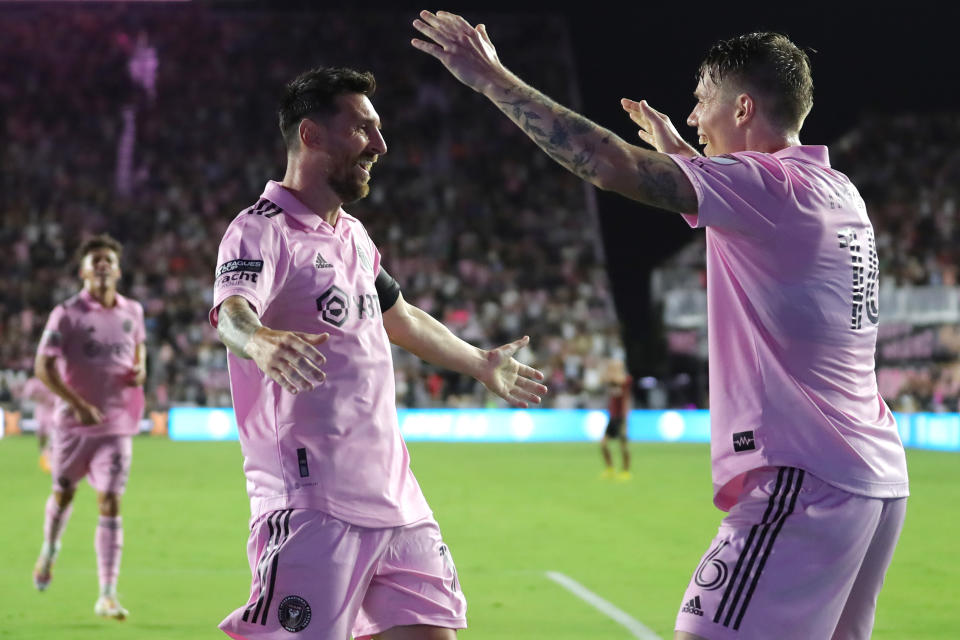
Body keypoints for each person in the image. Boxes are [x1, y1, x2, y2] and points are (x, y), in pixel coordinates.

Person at [413, 13, 908, 640]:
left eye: (703, 102)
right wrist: (678, 153)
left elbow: (610, 164)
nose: (695, 119)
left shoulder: (767, 185)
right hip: (873, 475)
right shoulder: (835, 190)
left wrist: (490, 77)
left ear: (744, 106)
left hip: (806, 478)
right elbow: (755, 229)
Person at [209, 66, 547, 640]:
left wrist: (478, 362)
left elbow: (402, 317)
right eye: (363, 129)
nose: (380, 146)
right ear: (312, 135)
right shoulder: (260, 230)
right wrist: (259, 340)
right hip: (312, 501)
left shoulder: (355, 237)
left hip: (398, 501)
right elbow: (234, 311)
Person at [32, 234, 147, 621]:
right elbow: (42, 368)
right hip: (73, 427)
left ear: (118, 269)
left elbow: (139, 346)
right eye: (95, 260)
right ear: (83, 270)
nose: (102, 266)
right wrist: (79, 405)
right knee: (63, 493)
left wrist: (141, 365)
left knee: (111, 501)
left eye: (109, 260)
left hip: (116, 426)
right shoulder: (66, 314)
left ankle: (107, 593)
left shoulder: (133, 311)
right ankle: (49, 549)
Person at [599, 358, 632, 481]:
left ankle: (626, 470)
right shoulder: (612, 380)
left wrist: (609, 372)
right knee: (603, 444)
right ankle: (610, 468)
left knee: (623, 446)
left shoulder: (626, 379)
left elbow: (618, 380)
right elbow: (602, 379)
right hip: (612, 416)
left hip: (622, 416)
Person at [21, 375, 58, 473]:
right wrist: (39, 397)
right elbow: (27, 395)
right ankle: (43, 450)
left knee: (53, 436)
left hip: (54, 412)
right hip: (42, 412)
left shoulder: (56, 380)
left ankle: (51, 459)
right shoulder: (34, 382)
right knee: (41, 435)